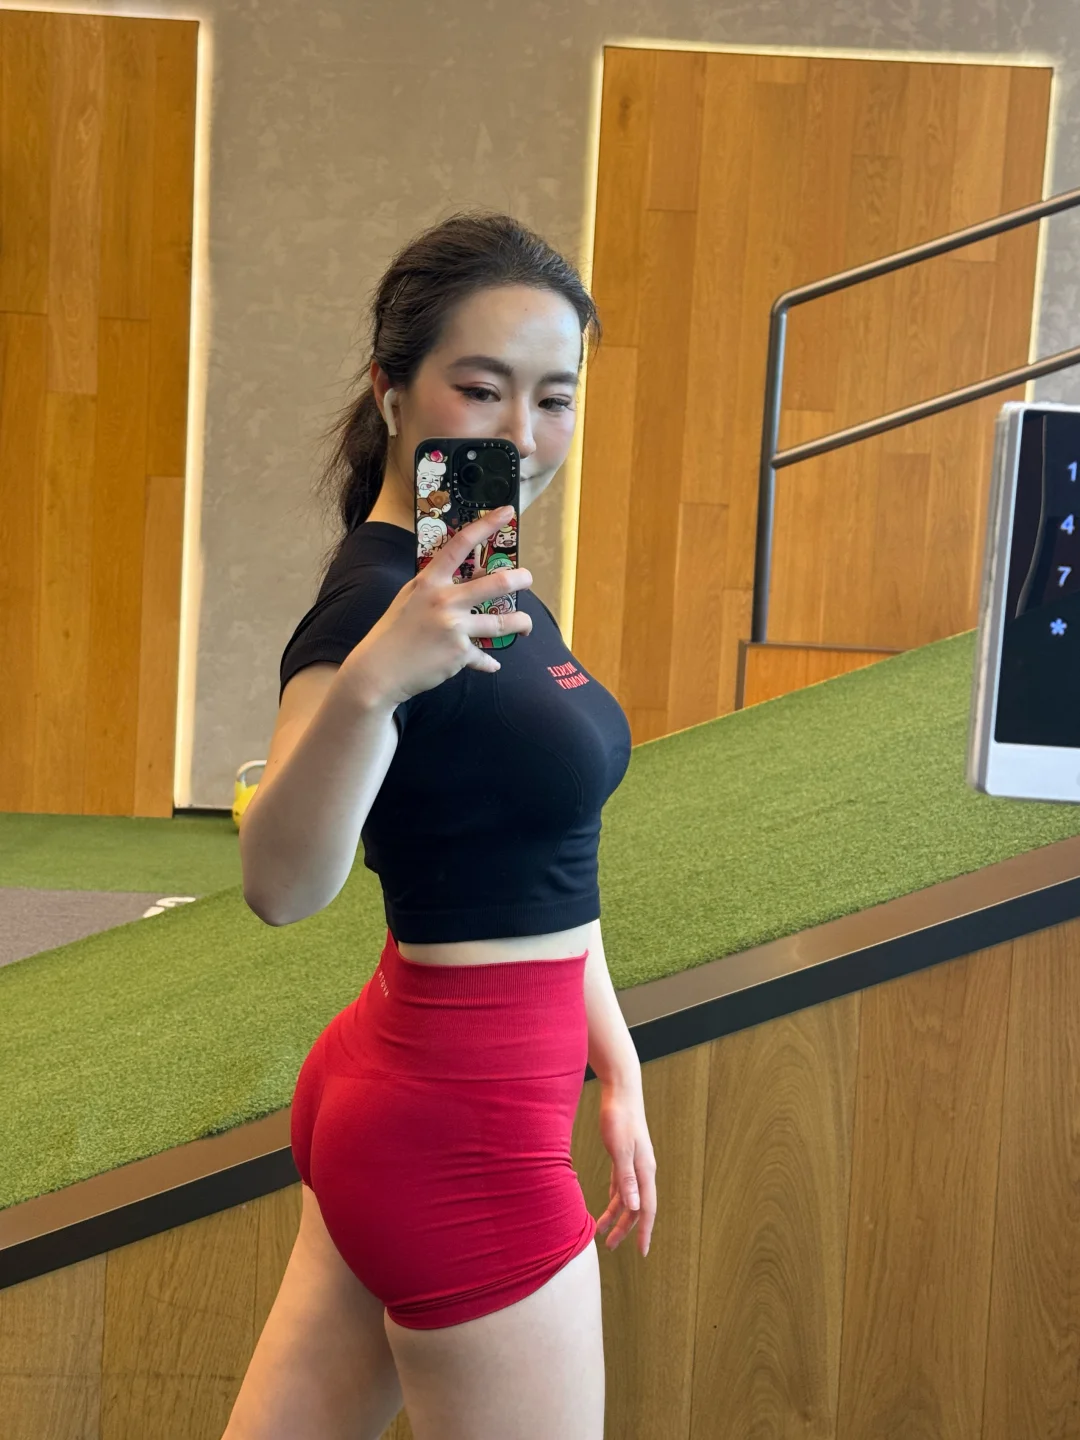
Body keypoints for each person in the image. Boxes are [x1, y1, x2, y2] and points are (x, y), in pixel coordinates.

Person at [227, 212, 658, 1440]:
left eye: (554, 398)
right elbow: (280, 885)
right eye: (481, 388)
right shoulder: (374, 607)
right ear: (390, 387)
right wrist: (373, 683)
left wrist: (617, 1070)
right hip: (460, 1131)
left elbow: (542, 857)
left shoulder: (478, 572)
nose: (521, 433)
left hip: (416, 1091)